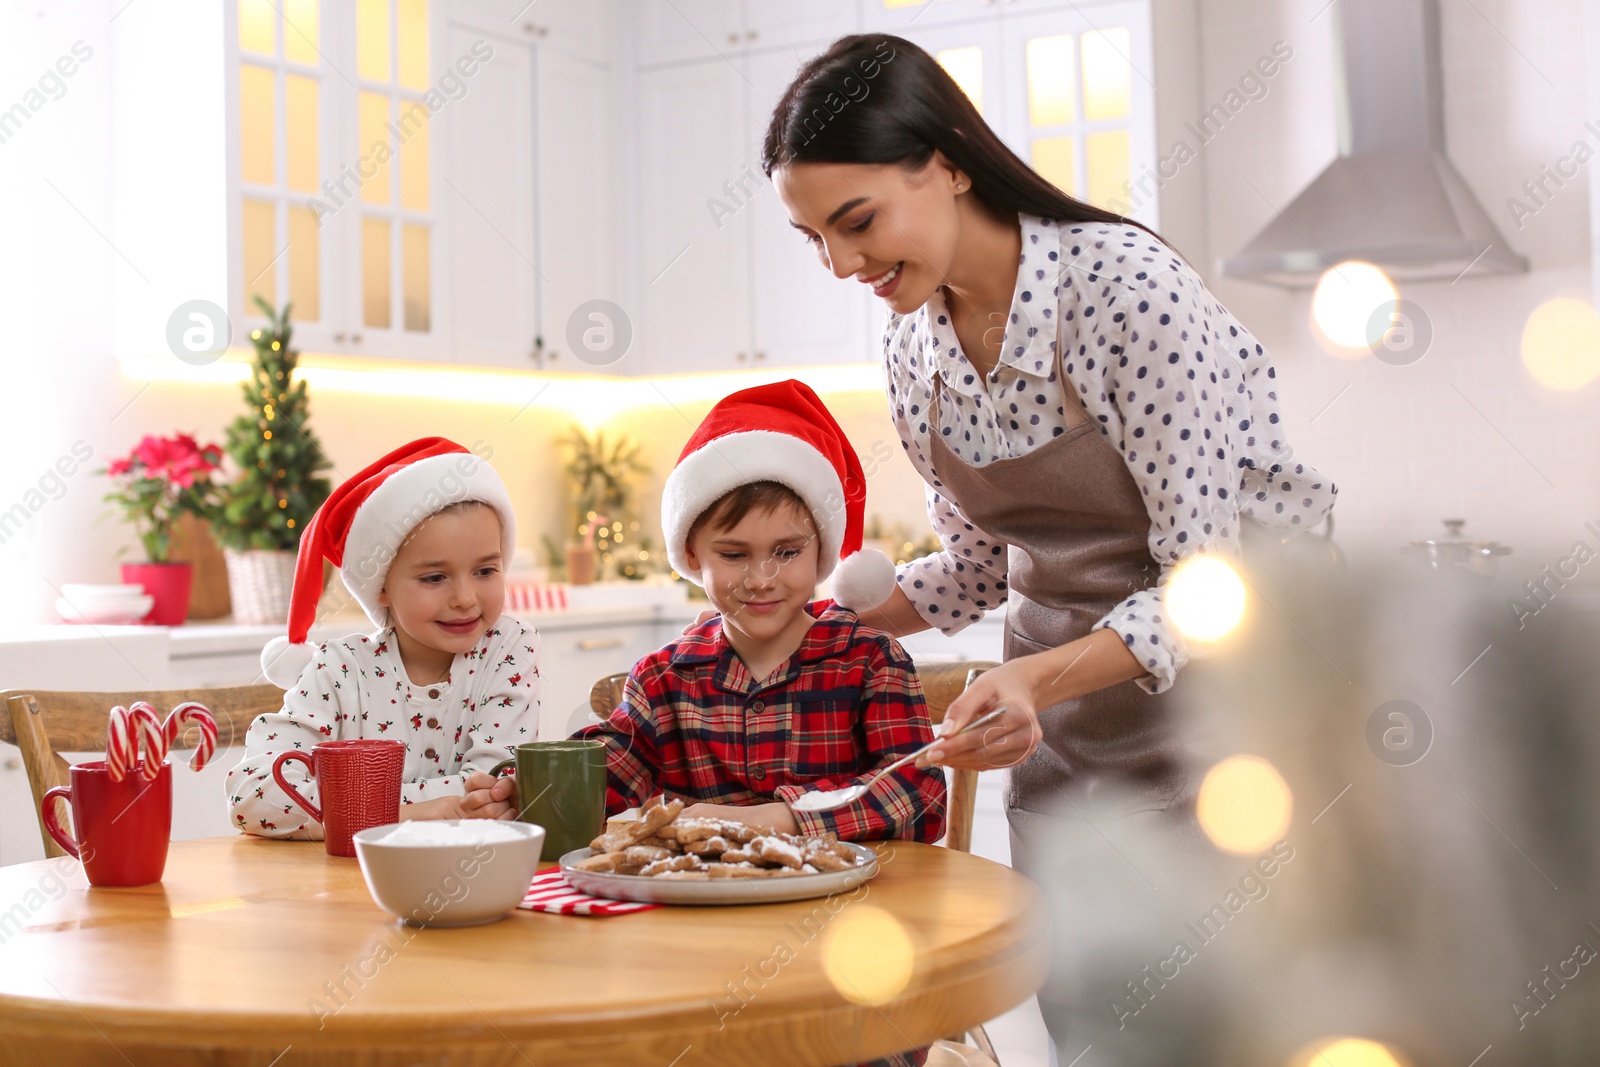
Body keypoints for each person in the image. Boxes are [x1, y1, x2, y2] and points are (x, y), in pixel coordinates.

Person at [761, 34, 1337, 1054]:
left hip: (1242, 723)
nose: (843, 264)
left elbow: (1209, 581)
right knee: (1093, 1026)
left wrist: (1033, 682)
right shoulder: (912, 348)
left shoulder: (1123, 294)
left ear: (945, 163)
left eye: (856, 222)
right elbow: (982, 562)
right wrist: (829, 613)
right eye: (813, 239)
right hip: (1067, 736)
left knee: (1234, 1031)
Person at [574, 380, 946, 846]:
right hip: (702, 912)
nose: (761, 579)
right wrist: (518, 786)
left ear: (821, 554)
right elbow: (602, 780)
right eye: (733, 555)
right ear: (693, 556)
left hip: (849, 912)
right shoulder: (662, 681)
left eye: (787, 553)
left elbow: (921, 799)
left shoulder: (871, 662)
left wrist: (771, 819)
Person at [226, 437, 536, 837]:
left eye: (486, 571)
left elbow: (493, 790)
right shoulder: (339, 670)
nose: (466, 599)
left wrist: (346, 807)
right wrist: (402, 816)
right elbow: (251, 796)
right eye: (434, 577)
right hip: (342, 891)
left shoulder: (509, 649)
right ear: (382, 588)